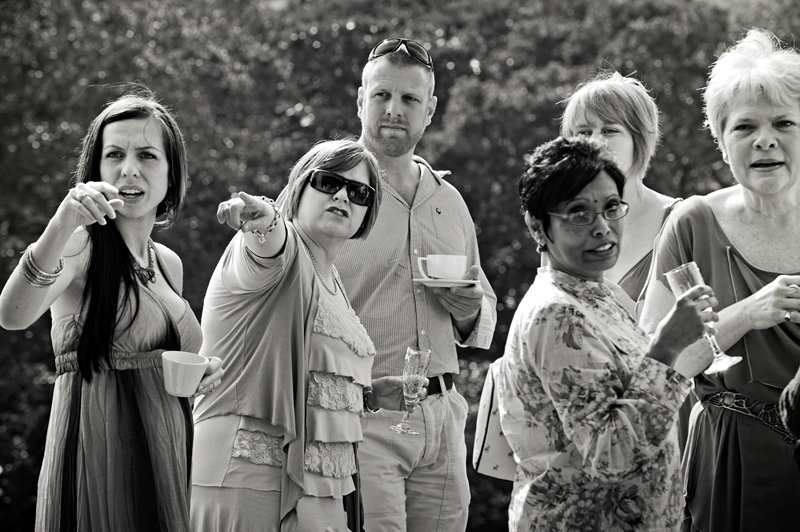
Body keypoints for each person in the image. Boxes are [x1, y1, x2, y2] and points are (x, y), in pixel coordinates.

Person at [0, 92, 223, 531]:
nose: (129, 169)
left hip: (168, 450)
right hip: (101, 457)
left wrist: (199, 374)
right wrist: (62, 222)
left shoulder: (168, 262)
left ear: (171, 173)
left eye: (147, 155)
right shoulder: (81, 245)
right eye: (115, 154)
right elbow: (11, 314)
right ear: (96, 169)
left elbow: (153, 363)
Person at [191, 139, 416, 531]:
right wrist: (262, 220)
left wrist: (369, 395)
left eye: (360, 192)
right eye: (328, 182)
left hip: (319, 490)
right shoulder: (282, 250)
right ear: (298, 189)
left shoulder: (332, 279)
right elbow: (268, 244)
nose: (344, 195)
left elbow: (307, 381)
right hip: (250, 479)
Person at [496, 135, 718, 531]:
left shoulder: (596, 291)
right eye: (578, 213)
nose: (602, 227)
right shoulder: (556, 314)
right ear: (537, 227)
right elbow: (611, 454)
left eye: (611, 207)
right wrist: (667, 347)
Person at [638, 29, 800, 531]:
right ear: (721, 138)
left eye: (784, 123)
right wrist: (748, 313)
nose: (765, 139)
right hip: (730, 459)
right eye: (744, 126)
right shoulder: (691, 222)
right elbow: (657, 363)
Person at [333, 38, 497, 531]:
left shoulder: (451, 200)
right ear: (361, 99)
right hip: (362, 419)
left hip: (443, 419)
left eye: (409, 100)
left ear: (430, 110)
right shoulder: (323, 188)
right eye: (382, 95)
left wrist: (468, 307)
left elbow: (481, 312)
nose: (393, 110)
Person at [561, 71, 679, 311]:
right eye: (583, 132)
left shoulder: (680, 220)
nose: (594, 142)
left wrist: (622, 307)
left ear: (641, 139)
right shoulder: (563, 226)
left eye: (609, 130)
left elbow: (699, 333)